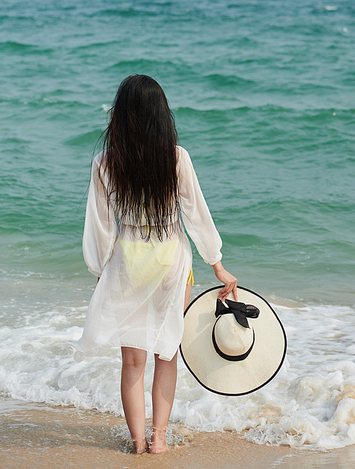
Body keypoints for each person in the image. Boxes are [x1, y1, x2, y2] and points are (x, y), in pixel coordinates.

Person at [74, 75, 237, 454]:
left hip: (127, 262)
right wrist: (216, 263)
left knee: (132, 360)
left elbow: (98, 226)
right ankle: (159, 437)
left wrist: (101, 273)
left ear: (121, 115)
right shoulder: (176, 157)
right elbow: (196, 214)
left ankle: (136, 442)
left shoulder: (105, 162)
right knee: (167, 352)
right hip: (170, 259)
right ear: (162, 114)